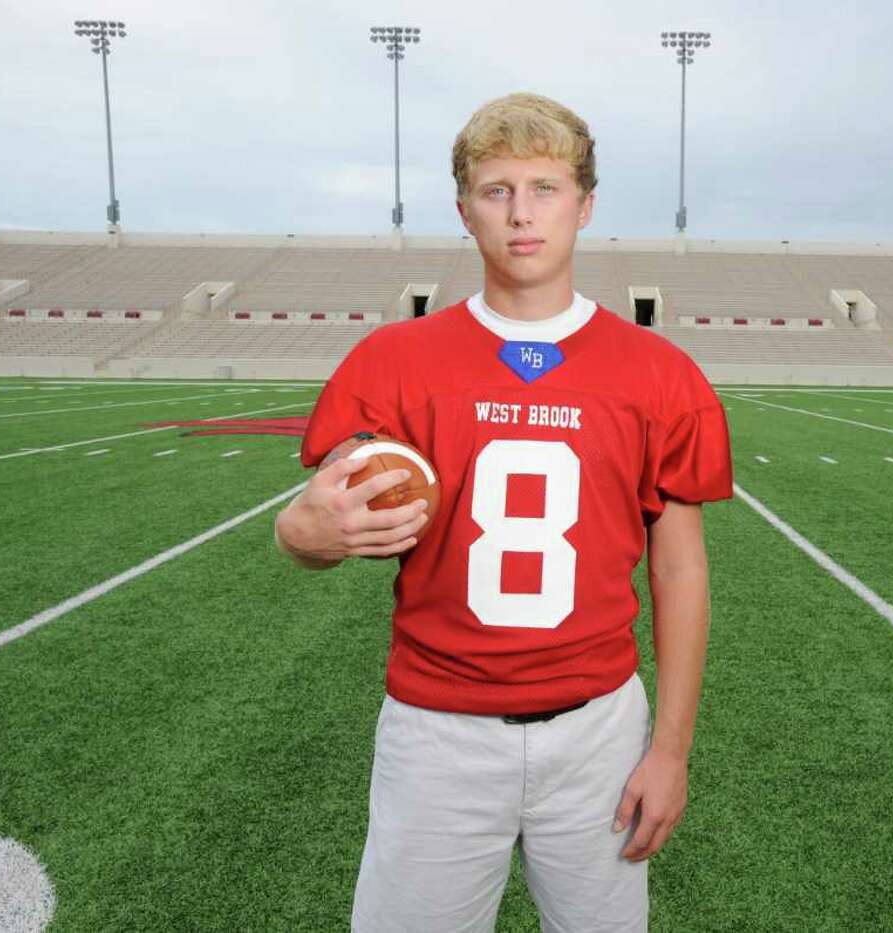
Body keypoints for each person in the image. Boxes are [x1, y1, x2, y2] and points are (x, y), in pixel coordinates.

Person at [274, 92, 732, 932]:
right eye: (497, 191)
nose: (522, 214)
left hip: (599, 731)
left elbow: (680, 565)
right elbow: (311, 527)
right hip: (436, 731)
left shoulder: (660, 374)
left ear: (584, 204)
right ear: (465, 210)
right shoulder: (393, 362)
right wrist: (300, 534)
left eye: (545, 188)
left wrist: (670, 748)